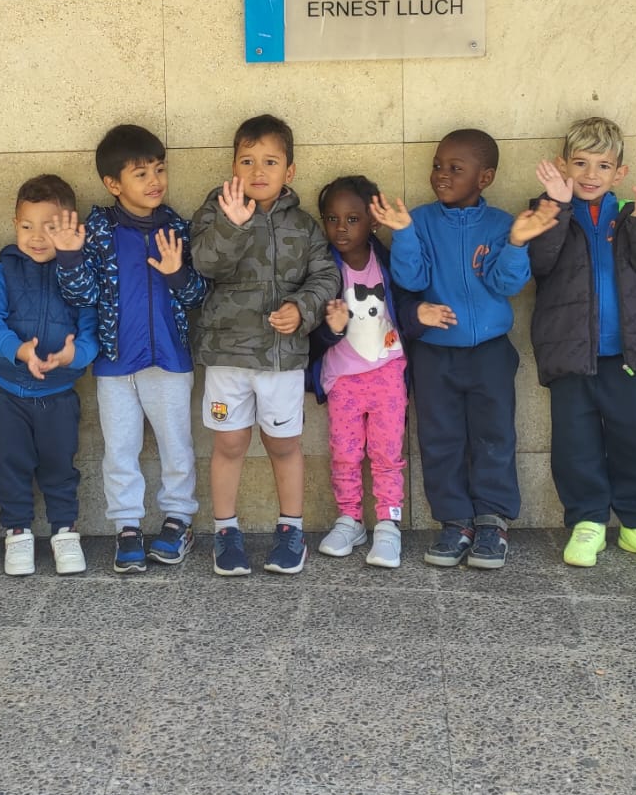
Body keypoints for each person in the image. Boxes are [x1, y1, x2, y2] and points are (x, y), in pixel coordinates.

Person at [376, 130, 558, 571]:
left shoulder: (500, 224)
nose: (442, 175)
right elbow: (412, 280)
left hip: (490, 353)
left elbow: (506, 284)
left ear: (485, 177)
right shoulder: (419, 220)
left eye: (455, 169)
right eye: (438, 166)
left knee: (494, 436)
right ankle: (455, 520)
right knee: (440, 438)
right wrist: (403, 234)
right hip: (434, 354)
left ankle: (493, 521)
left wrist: (517, 243)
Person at [528, 117, 636, 569]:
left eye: (603, 165)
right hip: (570, 353)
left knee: (635, 440)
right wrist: (556, 208)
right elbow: (538, 263)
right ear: (562, 166)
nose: (590, 174)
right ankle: (587, 521)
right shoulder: (545, 210)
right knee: (575, 444)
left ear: (620, 173)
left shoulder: (635, 214)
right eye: (580, 163)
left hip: (631, 354)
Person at [189, 114, 339, 577]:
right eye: (247, 161)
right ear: (233, 166)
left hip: (282, 356)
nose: (258, 171)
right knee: (230, 442)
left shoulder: (304, 226)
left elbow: (326, 276)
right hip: (227, 355)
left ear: (289, 171)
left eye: (270, 162)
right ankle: (226, 532)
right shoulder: (217, 210)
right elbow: (203, 263)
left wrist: (302, 308)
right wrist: (232, 226)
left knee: (284, 444)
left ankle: (291, 529)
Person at [54, 124, 207, 573]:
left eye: (159, 169)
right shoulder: (98, 231)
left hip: (170, 359)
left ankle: (179, 520)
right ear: (113, 184)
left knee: (176, 445)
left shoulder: (177, 228)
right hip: (115, 362)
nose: (155, 181)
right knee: (120, 448)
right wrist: (69, 256)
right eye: (141, 174)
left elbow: (197, 295)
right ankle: (127, 527)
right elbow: (82, 296)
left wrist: (178, 273)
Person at [0, 175, 97, 577]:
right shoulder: (2, 271)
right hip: (7, 393)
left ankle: (64, 532)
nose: (37, 237)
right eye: (26, 226)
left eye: (50, 227)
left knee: (60, 466)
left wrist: (74, 356)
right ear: (14, 224)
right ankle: (17, 533)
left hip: (58, 394)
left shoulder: (79, 274)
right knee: (9, 465)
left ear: (70, 226)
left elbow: (91, 332)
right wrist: (19, 351)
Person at [306, 176, 420, 569]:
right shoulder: (322, 269)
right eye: (332, 218)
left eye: (353, 219)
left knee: (387, 453)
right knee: (345, 453)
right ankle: (350, 519)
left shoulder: (385, 261)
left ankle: (388, 524)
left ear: (372, 222)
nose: (341, 228)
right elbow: (313, 335)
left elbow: (408, 297)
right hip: (343, 378)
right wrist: (331, 328)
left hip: (387, 372)